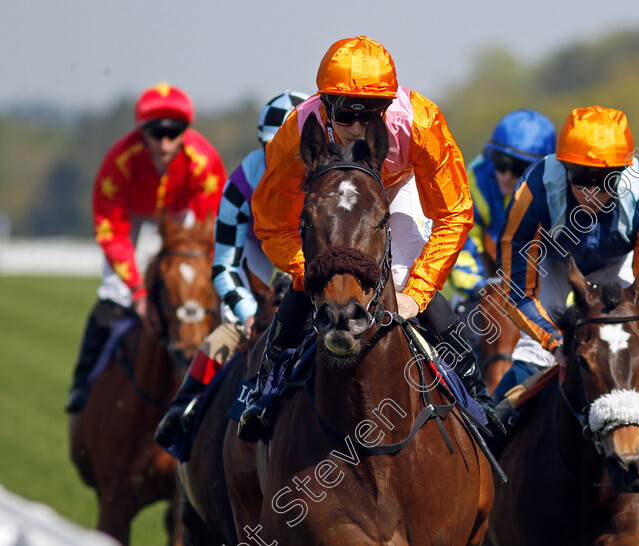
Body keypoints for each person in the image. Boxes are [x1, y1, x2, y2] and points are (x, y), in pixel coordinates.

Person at [238, 35, 503, 442]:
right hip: (330, 194)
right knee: (315, 280)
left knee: (397, 281)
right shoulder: (296, 133)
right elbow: (272, 221)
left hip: (397, 189)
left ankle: (475, 397)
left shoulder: (421, 121)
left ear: (389, 107)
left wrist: (419, 291)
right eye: (346, 117)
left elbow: (453, 213)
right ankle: (265, 390)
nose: (359, 129)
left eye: (373, 115)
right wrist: (306, 271)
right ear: (325, 105)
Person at [495, 105, 639, 524]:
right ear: (562, 168)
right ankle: (490, 454)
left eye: (604, 180)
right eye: (580, 178)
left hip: (616, 271)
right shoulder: (533, 190)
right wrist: (558, 344)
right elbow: (516, 286)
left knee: (624, 360)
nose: (591, 191)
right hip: (555, 269)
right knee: (522, 375)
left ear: (623, 174)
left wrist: (626, 335)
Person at [154, 91, 308, 448]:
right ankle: (183, 412)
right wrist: (248, 313)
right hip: (259, 269)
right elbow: (223, 265)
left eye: (291, 146)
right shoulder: (241, 183)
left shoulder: (325, 176)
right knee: (225, 335)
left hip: (309, 269)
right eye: (274, 147)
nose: (282, 157)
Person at [64, 82, 226, 414]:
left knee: (204, 291)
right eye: (156, 134)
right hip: (133, 219)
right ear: (142, 132)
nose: (165, 144)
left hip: (181, 217)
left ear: (185, 131)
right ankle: (83, 383)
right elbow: (111, 229)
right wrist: (138, 293)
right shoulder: (120, 160)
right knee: (114, 292)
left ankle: (221, 380)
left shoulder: (203, 160)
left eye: (174, 132)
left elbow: (211, 224)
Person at [448, 109, 556, 302]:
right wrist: (479, 291)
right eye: (500, 163)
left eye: (518, 168)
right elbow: (460, 247)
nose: (506, 175)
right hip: (486, 285)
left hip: (545, 284)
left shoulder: (558, 192)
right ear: (491, 155)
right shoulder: (472, 183)